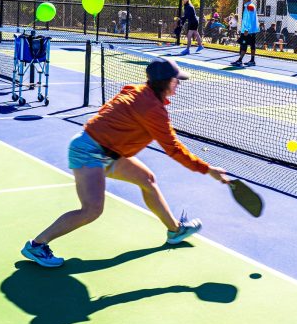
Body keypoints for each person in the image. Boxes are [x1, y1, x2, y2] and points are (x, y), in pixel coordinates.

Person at [20, 58, 229, 267]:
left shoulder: (137, 91)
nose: (179, 84)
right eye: (176, 80)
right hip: (89, 152)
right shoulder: (153, 110)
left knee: (147, 179)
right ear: (164, 82)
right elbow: (173, 149)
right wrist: (208, 169)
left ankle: (175, 231)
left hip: (108, 151)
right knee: (91, 210)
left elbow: (108, 112)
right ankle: (37, 245)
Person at [231, 0, 259, 67]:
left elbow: (250, 19)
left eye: (244, 0)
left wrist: (247, 29)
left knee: (244, 44)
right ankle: (251, 60)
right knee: (251, 44)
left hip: (248, 31)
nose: (243, 1)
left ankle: (240, 61)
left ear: (247, 0)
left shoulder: (250, 6)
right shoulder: (249, 6)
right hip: (251, 30)